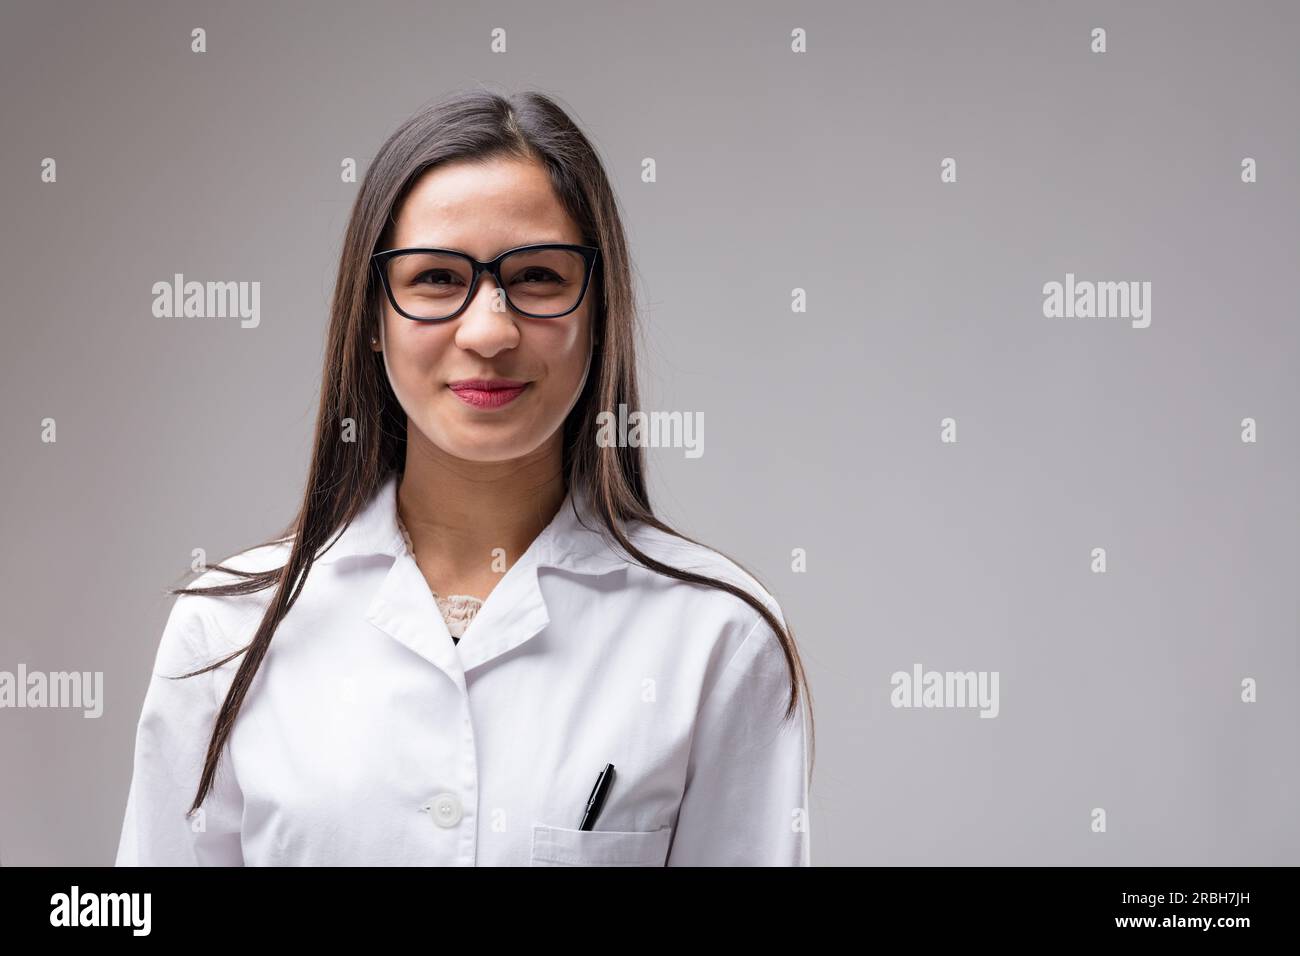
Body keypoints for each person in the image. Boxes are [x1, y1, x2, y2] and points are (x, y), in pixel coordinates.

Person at [114, 88, 814, 866]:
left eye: (541, 277)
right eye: (438, 280)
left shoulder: (716, 636)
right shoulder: (230, 630)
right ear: (372, 318)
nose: (489, 331)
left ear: (600, 311)